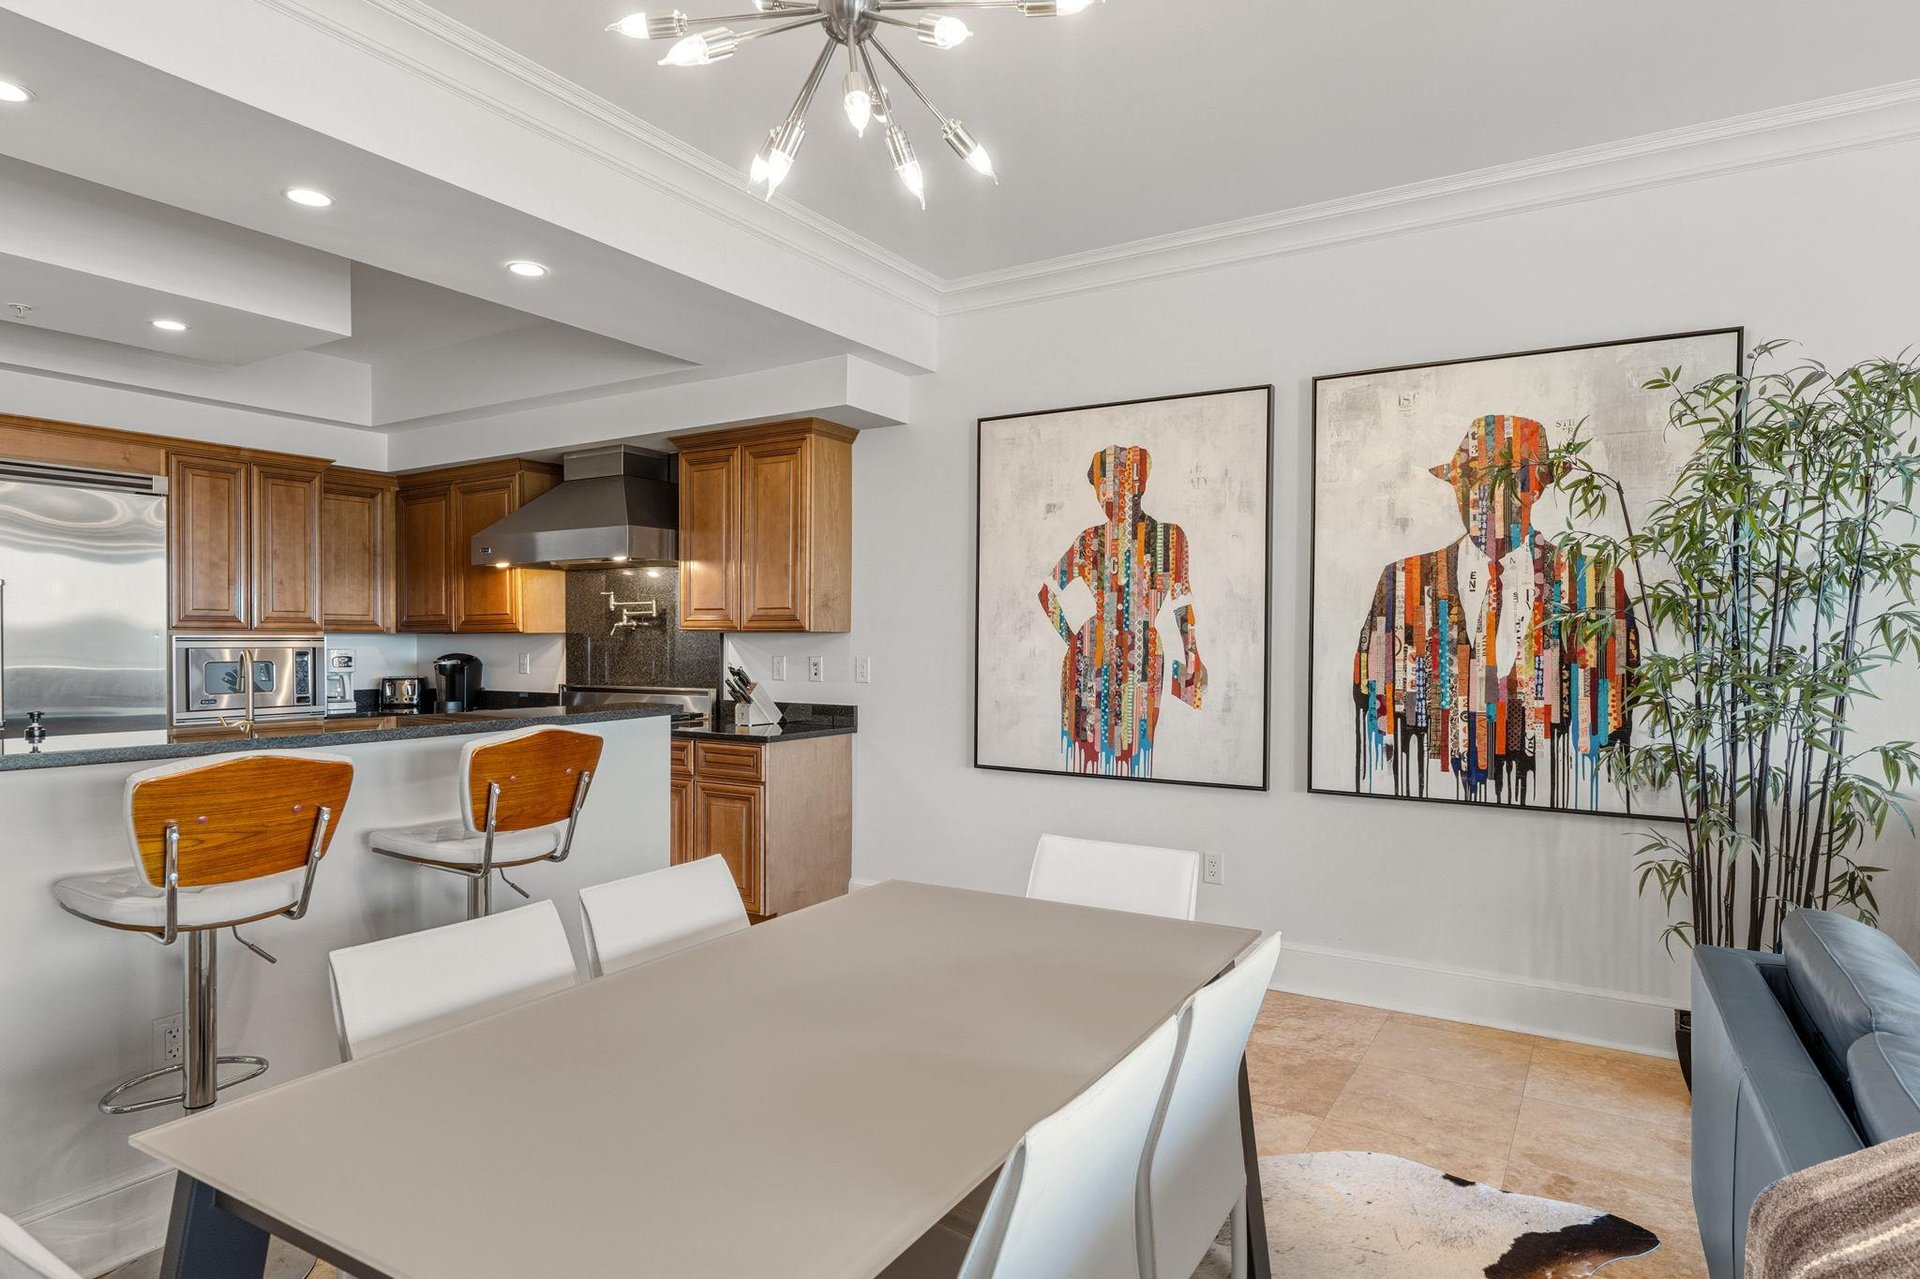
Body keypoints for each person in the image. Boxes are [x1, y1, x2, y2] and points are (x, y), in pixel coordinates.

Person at [1352, 415, 1636, 808]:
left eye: (1504, 482)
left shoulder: (1594, 585)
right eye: (1466, 480)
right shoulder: (1402, 580)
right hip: (1429, 800)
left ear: (1536, 488)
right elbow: (1371, 703)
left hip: (1557, 801)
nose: (1478, 496)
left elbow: (1616, 718)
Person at [1039, 444, 1205, 778]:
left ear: (1138, 484)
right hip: (1088, 661)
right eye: (1101, 489)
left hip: (1142, 660)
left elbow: (1181, 602)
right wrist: (1075, 641)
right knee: (1083, 757)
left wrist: (1192, 656)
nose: (1106, 497)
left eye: (1113, 486)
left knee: (1134, 756)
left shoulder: (1170, 538)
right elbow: (1048, 592)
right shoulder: (1090, 539)